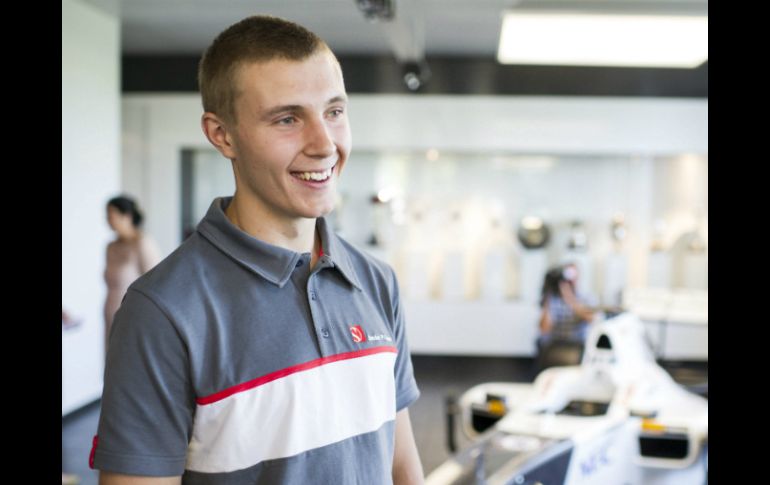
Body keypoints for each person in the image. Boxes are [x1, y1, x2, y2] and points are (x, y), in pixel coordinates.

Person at [91, 16, 424, 485]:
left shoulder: (375, 280)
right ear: (222, 134)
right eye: (288, 119)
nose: (324, 144)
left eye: (334, 111)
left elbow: (402, 464)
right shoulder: (162, 311)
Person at [103, 195, 161, 356]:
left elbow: (156, 284)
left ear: (127, 216)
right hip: (110, 313)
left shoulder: (143, 243)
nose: (108, 219)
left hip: (133, 316)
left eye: (111, 215)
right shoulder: (110, 247)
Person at [538, 262, 597, 346]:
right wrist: (547, 295)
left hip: (577, 344)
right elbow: (544, 329)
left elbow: (592, 319)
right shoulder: (552, 299)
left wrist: (569, 298)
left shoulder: (587, 297)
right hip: (554, 345)